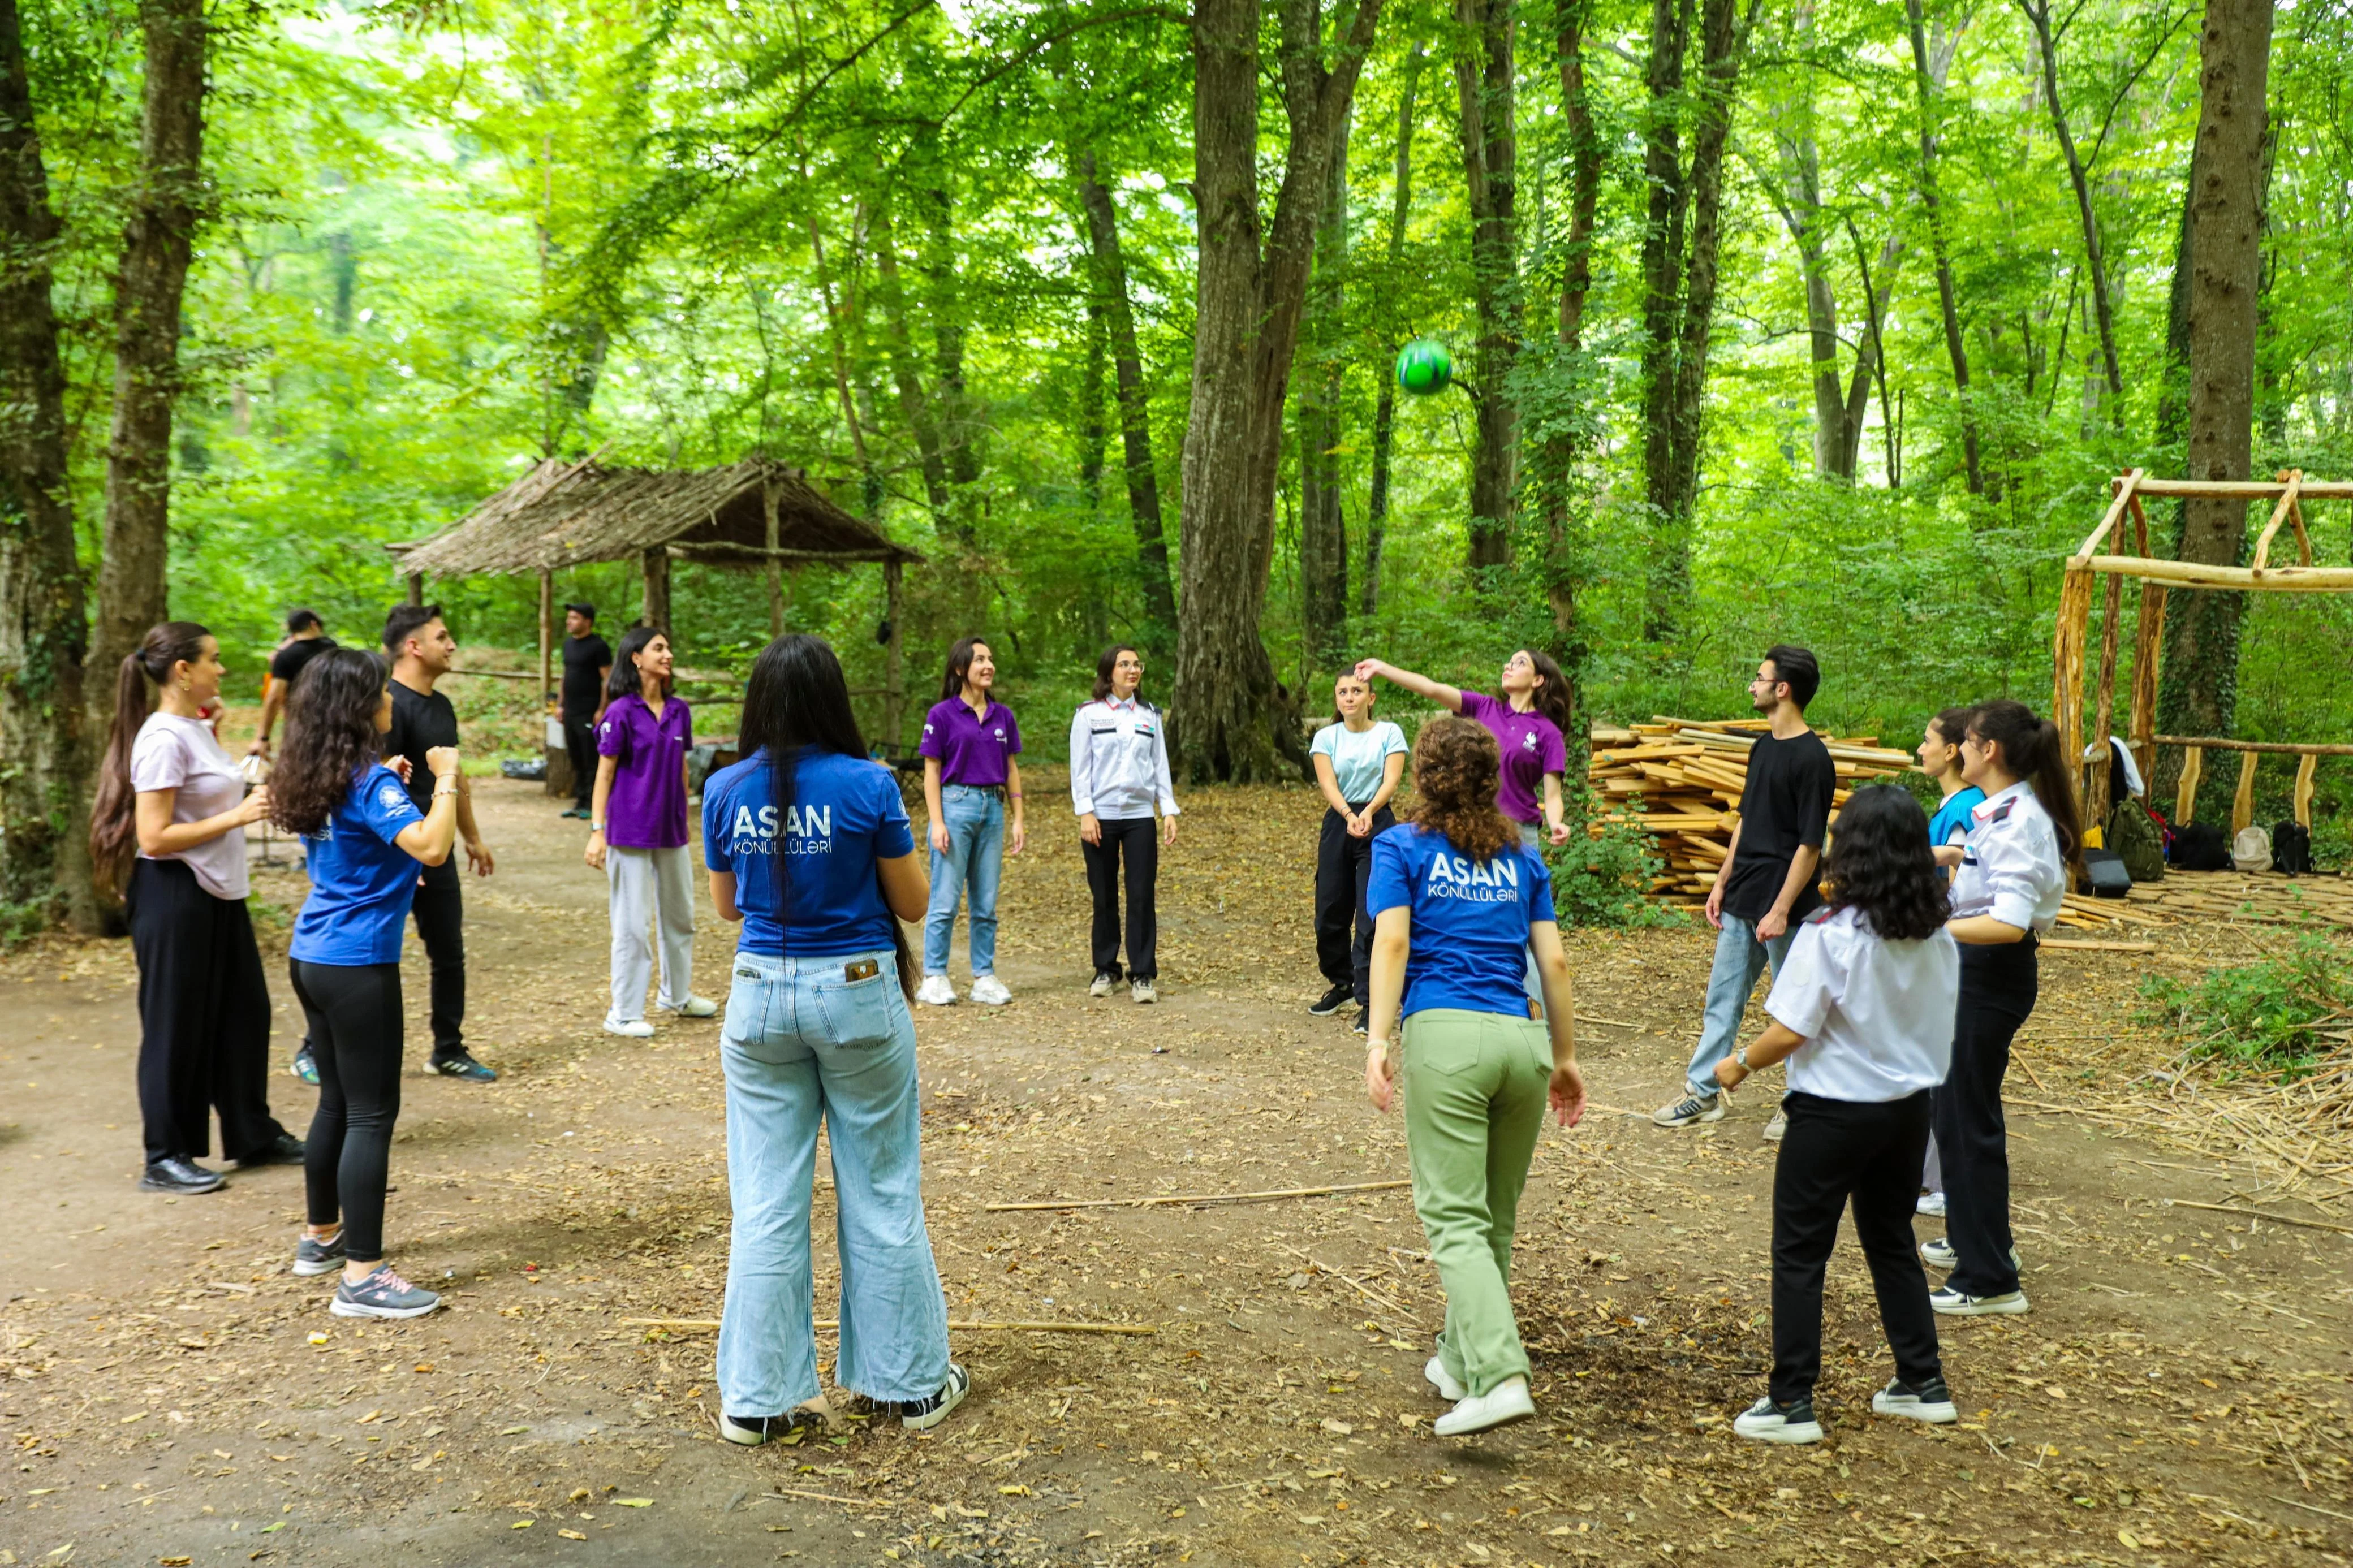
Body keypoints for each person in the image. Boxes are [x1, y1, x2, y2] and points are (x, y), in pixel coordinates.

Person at [702, 634, 967, 1443]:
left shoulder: (721, 788)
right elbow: (916, 902)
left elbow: (725, 907)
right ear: (834, 700)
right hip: (855, 996)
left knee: (767, 1200)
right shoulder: (867, 784)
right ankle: (913, 1387)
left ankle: (755, 1399)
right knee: (882, 1189)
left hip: (758, 999)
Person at [1709, 784, 1961, 1445]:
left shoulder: (1831, 935)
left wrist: (1738, 1064)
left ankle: (1791, 1399)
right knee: (1889, 1241)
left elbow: (1790, 1028)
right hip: (1907, 1114)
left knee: (1799, 1253)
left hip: (1831, 1115)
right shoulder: (1937, 936)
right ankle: (1921, 1380)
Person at [1361, 716, 1585, 1437]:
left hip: (1446, 1037)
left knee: (1452, 1217)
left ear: (1423, 777)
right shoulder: (1520, 856)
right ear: (1492, 780)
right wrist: (1566, 1056)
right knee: (1491, 1214)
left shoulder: (1401, 845)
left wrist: (1376, 1038)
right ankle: (1459, 1360)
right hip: (1522, 1043)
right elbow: (1551, 962)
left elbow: (1392, 939)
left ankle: (1499, 1373)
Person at [271, 646, 462, 1319]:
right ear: (362, 708)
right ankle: (364, 1276)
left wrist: (387, 781)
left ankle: (321, 1237)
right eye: (381, 692)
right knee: (373, 1114)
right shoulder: (371, 784)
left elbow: (359, 834)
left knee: (335, 1106)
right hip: (357, 966)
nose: (391, 700)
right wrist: (447, 779)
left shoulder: (322, 775)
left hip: (312, 956)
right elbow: (433, 849)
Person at [89, 623, 303, 1195]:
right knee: (175, 1025)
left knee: (244, 1014)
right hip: (173, 892)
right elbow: (154, 837)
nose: (222, 670)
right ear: (182, 671)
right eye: (213, 660)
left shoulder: (193, 728)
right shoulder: (161, 738)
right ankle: (165, 1154)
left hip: (218, 892)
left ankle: (251, 1132)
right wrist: (239, 814)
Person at [1920, 699, 2075, 1318]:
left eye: (1969, 740)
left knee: (1967, 1121)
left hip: (1991, 975)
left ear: (1988, 751)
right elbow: (1983, 884)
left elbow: (2009, 922)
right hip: (1973, 973)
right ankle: (1975, 1238)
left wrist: (1927, 931)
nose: (1958, 748)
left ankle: (1987, 1278)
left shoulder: (2015, 820)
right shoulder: (1998, 813)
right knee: (1953, 1110)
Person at [1653, 646, 1836, 1137]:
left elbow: (1810, 845)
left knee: (1796, 1007)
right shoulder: (1762, 747)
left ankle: (1802, 1100)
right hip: (1742, 898)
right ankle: (1703, 1093)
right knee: (1723, 1000)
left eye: (1759, 677)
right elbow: (1744, 822)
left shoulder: (1814, 758)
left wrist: (1780, 909)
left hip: (1787, 907)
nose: (1751, 685)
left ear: (1783, 689)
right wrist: (1721, 882)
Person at [381, 604, 499, 1081]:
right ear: (414, 646)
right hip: (398, 850)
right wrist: (408, 855)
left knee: (448, 950)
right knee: (371, 951)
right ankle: (316, 1046)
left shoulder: (441, 705)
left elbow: (451, 774)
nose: (452, 646)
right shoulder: (386, 704)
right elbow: (378, 787)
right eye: (443, 637)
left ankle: (447, 1048)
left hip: (439, 847)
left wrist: (472, 837)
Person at [585, 627, 714, 1037]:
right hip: (628, 830)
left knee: (681, 917)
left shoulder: (679, 710)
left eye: (669, 647)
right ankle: (622, 1012)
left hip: (671, 830)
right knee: (632, 924)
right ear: (636, 658)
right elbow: (603, 774)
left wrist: (685, 813)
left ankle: (677, 995)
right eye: (659, 648)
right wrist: (597, 830)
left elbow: (680, 768)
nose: (668, 654)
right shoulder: (621, 712)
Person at [1351, 651, 1572, 851]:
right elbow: (1432, 688)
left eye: (1519, 663)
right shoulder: (1483, 707)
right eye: (1509, 662)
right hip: (1475, 823)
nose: (1508, 666)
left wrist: (1556, 824)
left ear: (1538, 680)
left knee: (1521, 896)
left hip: (1521, 831)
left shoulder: (1548, 733)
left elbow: (1552, 795)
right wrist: (1381, 668)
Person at [915, 637, 1027, 1008]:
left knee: (986, 901)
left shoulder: (1003, 716)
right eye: (980, 659)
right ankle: (934, 976)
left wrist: (1018, 818)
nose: (989, 665)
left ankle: (984, 976)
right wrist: (937, 822)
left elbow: (1011, 767)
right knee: (945, 898)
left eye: (991, 659)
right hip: (955, 806)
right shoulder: (942, 715)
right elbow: (931, 772)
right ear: (962, 668)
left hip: (992, 809)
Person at [1068, 643, 1179, 1004]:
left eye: (1137, 665)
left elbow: (1160, 766)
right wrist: (1085, 811)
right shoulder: (1088, 715)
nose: (1132, 670)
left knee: (1142, 896)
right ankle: (1106, 968)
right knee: (1103, 895)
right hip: (1100, 817)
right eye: (1124, 665)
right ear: (1109, 671)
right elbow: (1080, 767)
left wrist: (1169, 810)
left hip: (1139, 819)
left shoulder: (1150, 716)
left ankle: (1143, 974)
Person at [1911, 706, 1983, 1219]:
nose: (1921, 749)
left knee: (1942, 1063)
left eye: (1928, 740)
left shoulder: (1967, 807)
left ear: (1952, 750)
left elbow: (1958, 885)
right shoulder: (1951, 806)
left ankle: (1940, 1183)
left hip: (1952, 949)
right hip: (1939, 944)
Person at [1308, 671, 1407, 1028]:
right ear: (1337, 699)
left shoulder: (1389, 733)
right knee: (1329, 910)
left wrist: (1367, 812)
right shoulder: (1326, 737)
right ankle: (1342, 982)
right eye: (1343, 692)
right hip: (1340, 821)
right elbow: (1327, 782)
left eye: (1357, 691)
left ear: (1371, 698)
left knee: (1370, 916)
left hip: (1378, 822)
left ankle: (1371, 1001)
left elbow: (1391, 779)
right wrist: (1349, 814)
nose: (1350, 697)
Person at [247, 608, 336, 758]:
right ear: (314, 624)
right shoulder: (332, 647)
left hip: (301, 724)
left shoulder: (286, 656)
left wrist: (263, 738)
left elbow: (274, 697)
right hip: (336, 719)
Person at [559, 603, 613, 819]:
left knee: (591, 757)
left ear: (587, 622)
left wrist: (603, 709)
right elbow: (565, 675)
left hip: (589, 712)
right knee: (576, 757)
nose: (569, 621)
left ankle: (593, 804)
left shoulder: (599, 646)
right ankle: (579, 801)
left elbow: (607, 680)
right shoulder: (568, 645)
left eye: (574, 618)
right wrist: (561, 705)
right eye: (569, 617)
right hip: (570, 710)